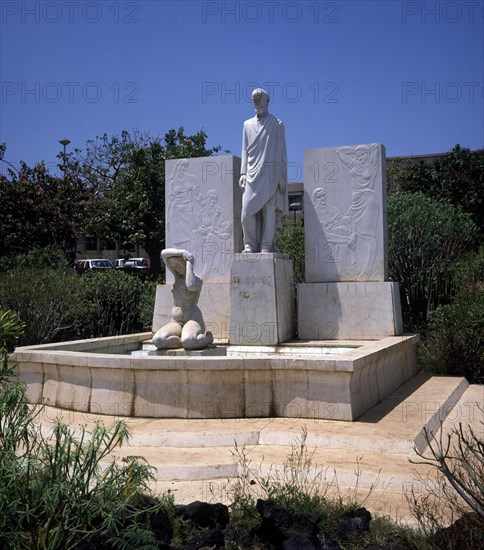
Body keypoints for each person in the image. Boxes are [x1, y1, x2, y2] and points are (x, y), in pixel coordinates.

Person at [239, 88, 287, 253]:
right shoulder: (246, 124)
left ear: (267, 101)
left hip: (270, 174)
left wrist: (282, 175)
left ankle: (266, 244)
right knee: (246, 210)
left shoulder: (277, 124)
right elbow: (244, 150)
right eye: (255, 102)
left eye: (261, 101)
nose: (258, 104)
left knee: (268, 210)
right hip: (251, 173)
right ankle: (250, 244)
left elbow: (282, 152)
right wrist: (243, 172)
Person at [152, 248, 213, 350]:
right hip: (176, 322)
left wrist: (189, 263)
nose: (175, 269)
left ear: (184, 265)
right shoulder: (177, 278)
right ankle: (186, 339)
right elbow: (163, 254)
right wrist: (182, 252)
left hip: (192, 319)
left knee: (188, 341)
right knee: (158, 340)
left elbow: (190, 285)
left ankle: (207, 339)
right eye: (173, 267)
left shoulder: (196, 280)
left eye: (178, 266)